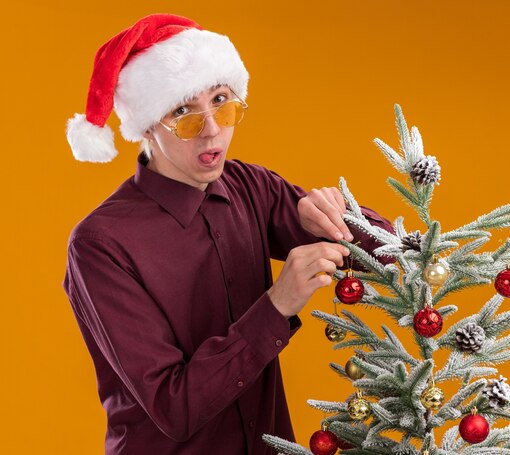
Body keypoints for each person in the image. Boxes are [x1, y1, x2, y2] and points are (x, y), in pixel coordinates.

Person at [63, 13, 394, 455]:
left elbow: (392, 256)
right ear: (145, 127)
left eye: (221, 100)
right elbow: (174, 409)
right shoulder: (100, 245)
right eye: (182, 112)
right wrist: (277, 305)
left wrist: (346, 217)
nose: (213, 128)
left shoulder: (250, 187)